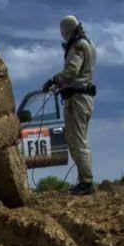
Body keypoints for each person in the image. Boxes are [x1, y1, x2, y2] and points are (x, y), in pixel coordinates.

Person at [43, 15, 97, 195]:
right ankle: (85, 181)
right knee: (81, 139)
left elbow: (72, 70)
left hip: (77, 99)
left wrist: (54, 80)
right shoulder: (89, 45)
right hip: (84, 98)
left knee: (76, 141)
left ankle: (86, 183)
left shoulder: (78, 46)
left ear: (66, 29)